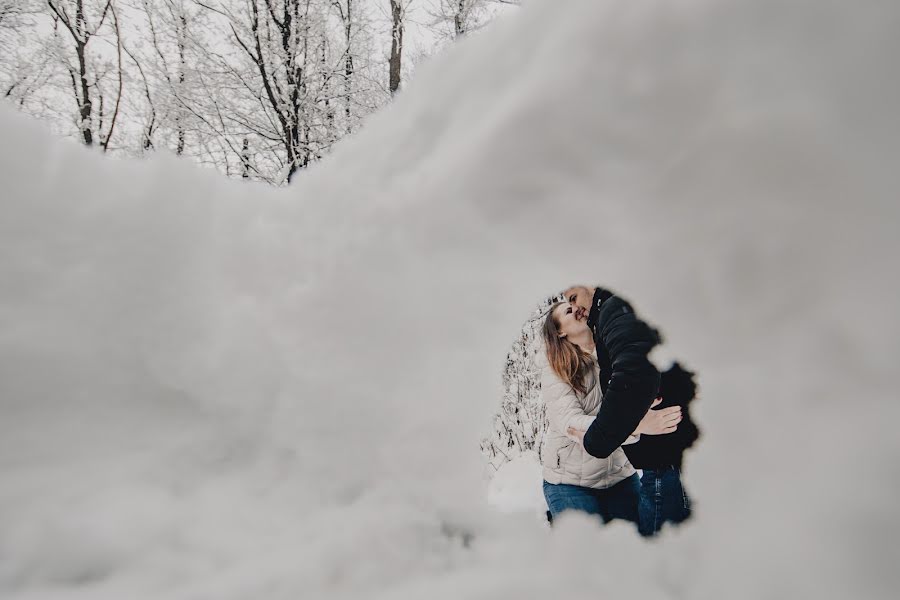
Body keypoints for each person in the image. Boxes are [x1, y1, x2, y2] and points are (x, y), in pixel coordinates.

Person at [563, 285, 699, 535]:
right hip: (665, 463)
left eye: (574, 298)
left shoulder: (614, 308)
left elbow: (635, 372)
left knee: (660, 558)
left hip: (663, 466)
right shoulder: (616, 312)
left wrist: (597, 440)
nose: (574, 309)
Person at [540, 300, 682, 526]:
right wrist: (635, 426)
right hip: (569, 482)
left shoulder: (614, 351)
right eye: (568, 311)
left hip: (619, 476)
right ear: (560, 331)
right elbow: (571, 423)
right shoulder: (556, 369)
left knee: (634, 546)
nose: (576, 308)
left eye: (576, 304)